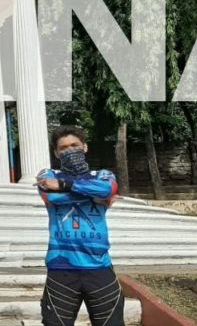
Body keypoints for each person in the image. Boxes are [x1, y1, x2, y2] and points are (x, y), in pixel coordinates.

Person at [36, 125, 122, 326]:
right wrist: (94, 195)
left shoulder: (103, 175)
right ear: (56, 153)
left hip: (99, 267)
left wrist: (64, 186)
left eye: (75, 145)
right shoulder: (48, 174)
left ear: (85, 147)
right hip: (61, 268)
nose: (70, 150)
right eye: (64, 148)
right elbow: (50, 196)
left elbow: (109, 188)